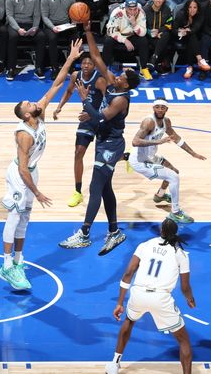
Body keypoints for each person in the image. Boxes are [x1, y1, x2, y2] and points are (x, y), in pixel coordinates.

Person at [0, 39, 83, 290]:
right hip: (19, 175)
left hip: (32, 173)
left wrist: (71, 58)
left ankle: (18, 260)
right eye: (28, 104)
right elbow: (23, 169)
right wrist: (36, 192)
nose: (33, 102)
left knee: (25, 218)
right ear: (26, 114)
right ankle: (5, 266)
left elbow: (57, 83)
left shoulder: (40, 112)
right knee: (14, 217)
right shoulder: (24, 133)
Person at [59, 20, 141, 255]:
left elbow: (99, 118)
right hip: (104, 142)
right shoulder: (113, 83)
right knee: (106, 189)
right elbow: (96, 56)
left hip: (112, 145)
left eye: (124, 73)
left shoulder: (120, 99)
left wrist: (85, 98)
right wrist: (87, 31)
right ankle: (114, 232)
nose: (120, 72)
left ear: (126, 82)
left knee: (95, 188)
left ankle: (84, 234)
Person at [104, 218, 195, 374]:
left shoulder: (144, 245)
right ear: (175, 232)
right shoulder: (181, 254)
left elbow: (128, 274)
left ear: (161, 231)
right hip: (161, 298)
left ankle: (114, 363)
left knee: (129, 321)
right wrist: (190, 299)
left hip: (138, 294)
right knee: (184, 340)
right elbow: (185, 287)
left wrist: (120, 302)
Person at [128, 99, 205, 221]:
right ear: (153, 108)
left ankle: (160, 195)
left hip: (151, 157)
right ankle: (175, 212)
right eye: (157, 107)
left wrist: (193, 153)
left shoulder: (166, 121)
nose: (159, 109)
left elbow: (176, 138)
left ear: (166, 109)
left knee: (174, 171)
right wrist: (159, 141)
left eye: (162, 107)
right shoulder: (148, 122)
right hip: (140, 161)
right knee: (173, 177)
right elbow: (135, 142)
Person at [54, 51, 108, 207]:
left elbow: (108, 102)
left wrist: (93, 115)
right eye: (84, 62)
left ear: (94, 65)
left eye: (89, 63)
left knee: (104, 157)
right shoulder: (75, 75)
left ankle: (125, 156)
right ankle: (78, 192)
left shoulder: (99, 80)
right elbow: (69, 91)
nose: (86, 65)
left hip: (101, 118)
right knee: (78, 152)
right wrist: (59, 107)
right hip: (87, 120)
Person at [104, 0, 151, 78]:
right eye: (130, 9)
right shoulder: (117, 12)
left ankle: (143, 68)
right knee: (108, 40)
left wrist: (134, 24)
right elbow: (110, 31)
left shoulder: (141, 12)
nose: (133, 12)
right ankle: (106, 68)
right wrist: (124, 40)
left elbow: (143, 33)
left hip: (132, 35)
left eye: (134, 9)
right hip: (118, 34)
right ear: (126, 8)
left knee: (143, 40)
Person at [40, 0, 75, 77]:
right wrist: (52, 27)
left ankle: (71, 66)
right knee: (52, 38)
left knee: (75, 37)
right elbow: (44, 17)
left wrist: (73, 22)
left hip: (66, 25)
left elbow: (73, 14)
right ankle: (54, 67)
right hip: (51, 25)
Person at [175, 0, 208, 79]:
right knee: (191, 37)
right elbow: (173, 29)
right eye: (190, 7)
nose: (192, 10)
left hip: (195, 37)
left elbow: (196, 28)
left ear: (198, 8)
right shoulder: (181, 14)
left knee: (191, 38)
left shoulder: (200, 14)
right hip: (181, 37)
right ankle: (200, 60)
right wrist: (180, 31)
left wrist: (187, 31)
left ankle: (190, 68)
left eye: (194, 7)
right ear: (187, 8)